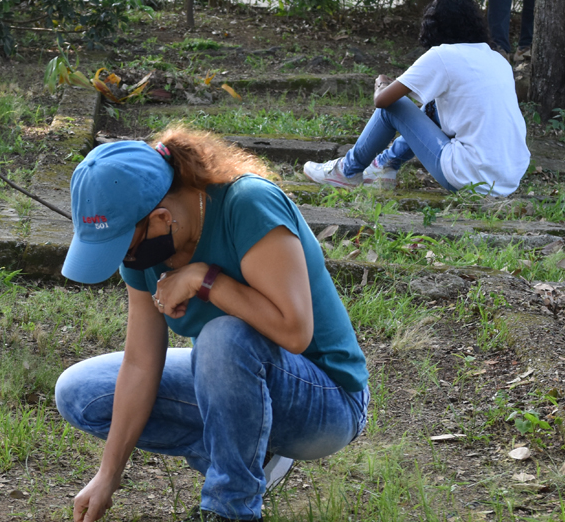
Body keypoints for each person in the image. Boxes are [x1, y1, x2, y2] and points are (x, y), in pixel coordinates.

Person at [55, 131, 369, 522]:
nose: (126, 259)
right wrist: (108, 474)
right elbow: (139, 363)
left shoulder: (248, 204)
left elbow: (295, 332)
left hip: (328, 399)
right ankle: (251, 456)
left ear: (161, 218)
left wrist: (206, 280)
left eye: (125, 247)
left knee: (222, 336)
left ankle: (230, 510)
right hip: (239, 379)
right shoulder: (143, 251)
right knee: (81, 392)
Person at [303, 0, 529, 197]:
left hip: (467, 176)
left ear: (434, 27)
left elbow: (383, 101)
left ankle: (347, 171)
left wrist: (382, 83)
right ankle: (384, 166)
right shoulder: (497, 59)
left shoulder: (443, 55)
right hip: (509, 178)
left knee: (394, 106)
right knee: (433, 107)